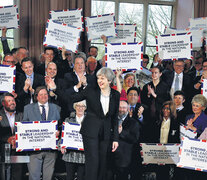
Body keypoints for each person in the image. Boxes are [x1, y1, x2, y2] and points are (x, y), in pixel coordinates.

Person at [70, 67, 119, 180]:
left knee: (103, 164)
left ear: (110, 81)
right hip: (90, 132)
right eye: (98, 78)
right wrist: (55, 88)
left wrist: (115, 139)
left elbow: (115, 119)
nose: (99, 81)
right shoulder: (91, 90)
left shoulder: (115, 95)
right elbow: (72, 98)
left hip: (106, 134)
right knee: (93, 162)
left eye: (103, 78)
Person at [22, 86, 60, 180]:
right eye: (41, 94)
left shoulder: (56, 108)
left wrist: (59, 132)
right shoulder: (28, 108)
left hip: (51, 150)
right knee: (34, 177)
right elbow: (23, 127)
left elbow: (60, 125)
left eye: (45, 94)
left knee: (48, 177)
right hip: (33, 150)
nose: (44, 96)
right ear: (37, 97)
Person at [141, 66, 170, 142]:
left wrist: (154, 95)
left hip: (160, 117)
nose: (154, 74)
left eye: (156, 73)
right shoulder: (146, 86)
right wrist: (148, 95)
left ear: (160, 74)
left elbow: (167, 102)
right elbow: (143, 102)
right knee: (148, 138)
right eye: (152, 73)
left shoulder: (165, 86)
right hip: (148, 117)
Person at [113, 100, 140, 180]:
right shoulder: (111, 120)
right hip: (110, 158)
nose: (121, 109)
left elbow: (135, 139)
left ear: (128, 109)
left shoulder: (133, 123)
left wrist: (122, 132)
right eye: (120, 107)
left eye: (124, 108)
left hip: (123, 160)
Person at [61, 100, 87, 180]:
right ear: (75, 107)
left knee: (81, 178)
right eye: (78, 106)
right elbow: (63, 137)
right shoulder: (68, 120)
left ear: (85, 108)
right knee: (69, 177)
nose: (80, 108)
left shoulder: (89, 120)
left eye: (82, 106)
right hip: (70, 155)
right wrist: (62, 145)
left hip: (83, 156)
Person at [0, 93, 23, 180]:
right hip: (2, 150)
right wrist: (7, 139)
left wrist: (16, 139)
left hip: (17, 150)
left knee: (17, 175)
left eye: (13, 100)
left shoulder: (21, 114)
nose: (12, 102)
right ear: (3, 103)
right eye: (9, 101)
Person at [155, 101, 180, 180]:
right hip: (158, 153)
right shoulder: (157, 121)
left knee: (168, 174)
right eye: (164, 108)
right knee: (159, 174)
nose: (165, 110)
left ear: (172, 110)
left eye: (168, 109)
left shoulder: (176, 123)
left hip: (170, 153)